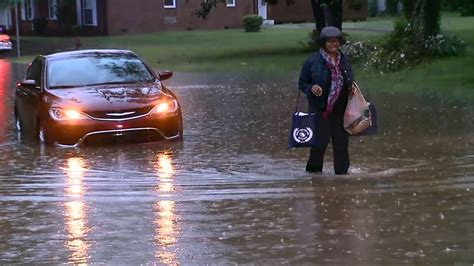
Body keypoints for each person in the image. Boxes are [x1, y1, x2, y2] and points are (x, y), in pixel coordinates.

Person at [298, 26, 356, 175]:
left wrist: (352, 88)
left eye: (336, 41)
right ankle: (314, 177)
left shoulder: (344, 59)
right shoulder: (312, 60)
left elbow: (349, 79)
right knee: (319, 145)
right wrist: (311, 88)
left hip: (341, 109)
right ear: (323, 43)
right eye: (330, 42)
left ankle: (342, 177)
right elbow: (302, 83)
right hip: (320, 110)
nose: (333, 44)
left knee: (341, 145)